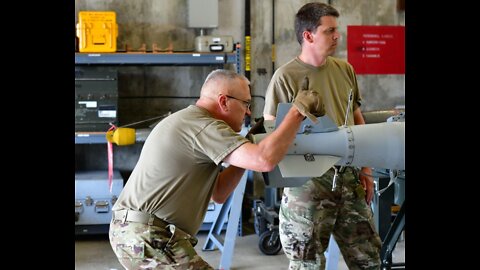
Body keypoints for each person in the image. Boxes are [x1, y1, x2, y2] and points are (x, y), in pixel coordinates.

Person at [109, 68, 325, 270]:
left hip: (137, 232)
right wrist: (297, 112)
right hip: (148, 234)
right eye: (246, 103)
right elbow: (265, 160)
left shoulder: (191, 120)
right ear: (224, 101)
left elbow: (219, 193)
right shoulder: (203, 125)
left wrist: (248, 145)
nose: (249, 112)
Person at [263, 2, 382, 270]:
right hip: (308, 184)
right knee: (306, 261)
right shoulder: (285, 77)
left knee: (368, 257)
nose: (337, 36)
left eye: (336, 30)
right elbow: (272, 133)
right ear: (308, 35)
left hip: (349, 176)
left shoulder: (345, 70)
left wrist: (366, 170)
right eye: (330, 31)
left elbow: (356, 118)